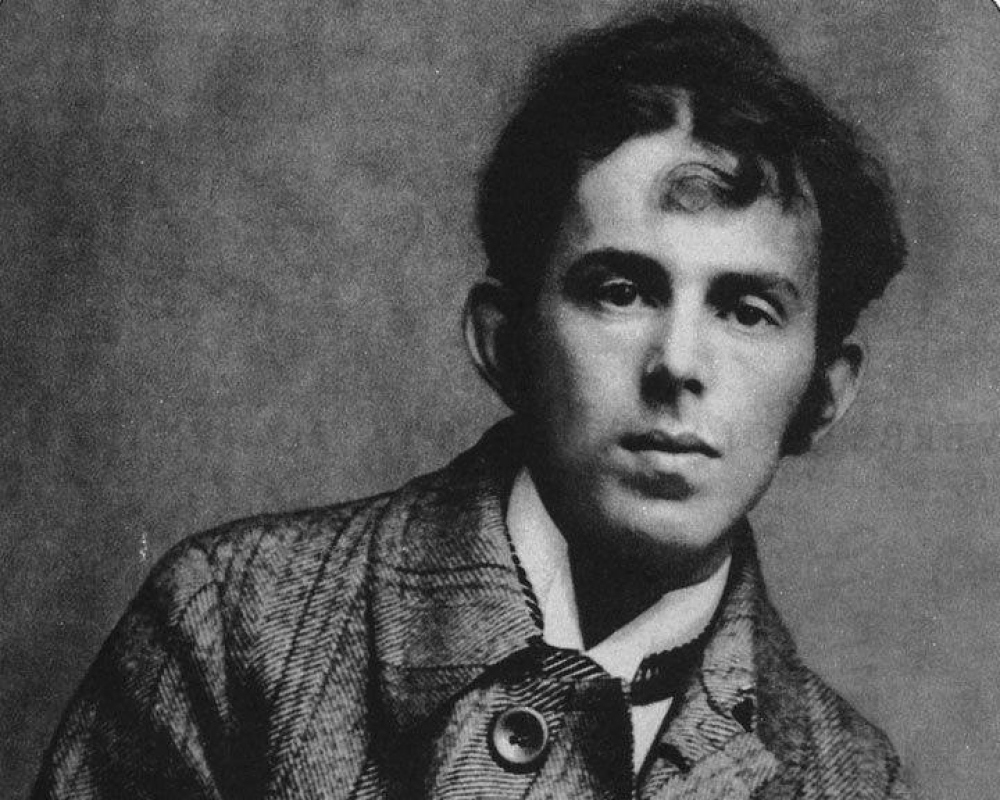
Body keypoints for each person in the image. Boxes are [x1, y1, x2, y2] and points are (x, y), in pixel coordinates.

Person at [33, 3, 911, 798]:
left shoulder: (852, 781)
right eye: (619, 292)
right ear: (504, 343)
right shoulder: (235, 628)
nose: (677, 363)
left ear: (823, 396)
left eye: (746, 311)